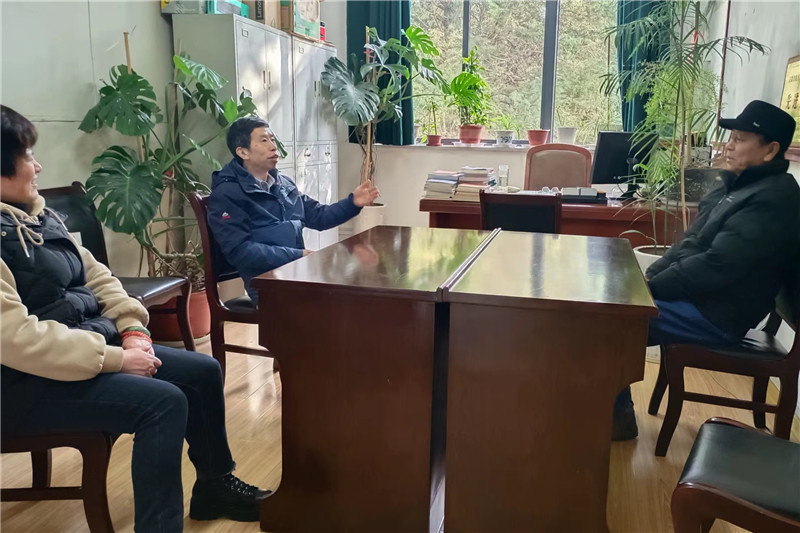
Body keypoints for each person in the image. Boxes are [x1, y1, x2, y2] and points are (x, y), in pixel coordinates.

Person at [0, 105, 270, 531]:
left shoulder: (37, 215)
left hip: (77, 352)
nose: (38, 167)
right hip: (20, 385)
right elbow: (17, 340)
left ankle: (214, 486)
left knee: (202, 372)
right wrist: (116, 360)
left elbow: (99, 278)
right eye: (27, 157)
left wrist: (132, 331)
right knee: (162, 404)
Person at [613, 100, 800, 440]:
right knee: (610, 311)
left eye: (740, 139)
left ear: (771, 150)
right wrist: (649, 278)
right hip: (704, 301)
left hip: (718, 315)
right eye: (730, 136)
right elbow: (692, 243)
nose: (728, 145)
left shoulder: (774, 198)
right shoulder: (739, 186)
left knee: (611, 321)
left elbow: (717, 264)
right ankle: (611, 410)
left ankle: (613, 417)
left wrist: (652, 289)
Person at [208, 116, 379, 302]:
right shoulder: (228, 193)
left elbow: (320, 216)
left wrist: (352, 203)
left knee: (361, 291)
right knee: (346, 302)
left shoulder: (283, 184)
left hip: (297, 276)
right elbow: (240, 251)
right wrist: (299, 255)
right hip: (268, 287)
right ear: (243, 152)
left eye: (272, 139)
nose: (273, 146)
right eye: (264, 140)